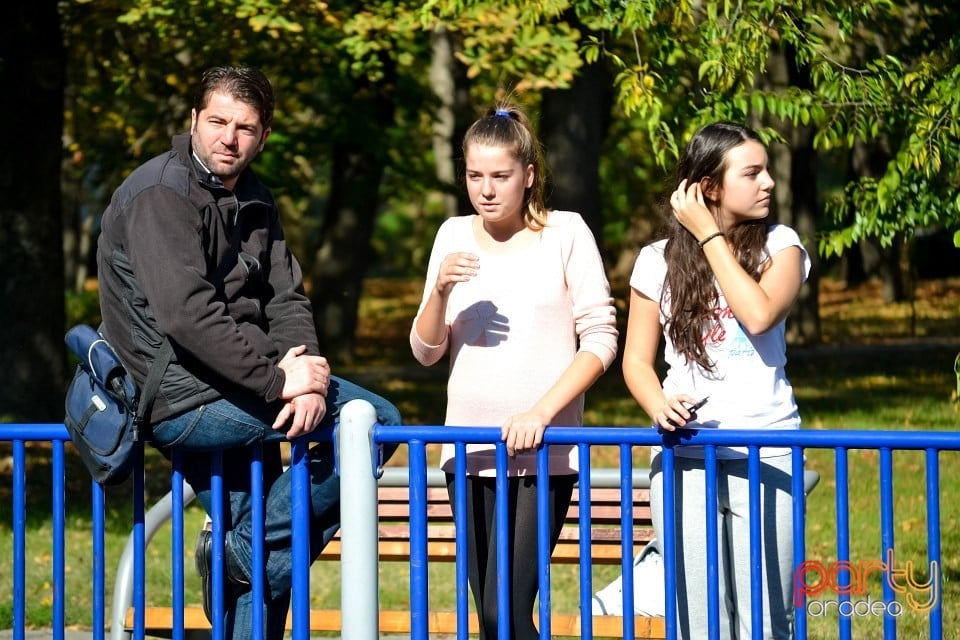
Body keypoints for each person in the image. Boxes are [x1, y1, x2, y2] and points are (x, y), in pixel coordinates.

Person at [96, 65, 401, 640]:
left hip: (240, 387)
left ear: (263, 135)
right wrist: (276, 383)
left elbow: (286, 295)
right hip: (184, 398)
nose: (228, 138)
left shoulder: (255, 195)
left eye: (245, 127)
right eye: (216, 121)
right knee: (376, 420)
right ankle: (239, 550)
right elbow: (188, 315)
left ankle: (237, 551)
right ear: (192, 121)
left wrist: (306, 375)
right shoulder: (162, 193)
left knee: (254, 561)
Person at [409, 102, 619, 640]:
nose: (486, 189)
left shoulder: (566, 232)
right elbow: (426, 352)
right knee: (491, 619)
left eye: (500, 176)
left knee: (506, 612)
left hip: (543, 452)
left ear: (529, 176)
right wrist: (439, 291)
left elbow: (600, 337)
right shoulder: (451, 235)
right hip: (468, 450)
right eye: (474, 175)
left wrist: (542, 412)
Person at [621, 121, 810, 639]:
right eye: (752, 173)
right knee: (697, 616)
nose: (768, 182)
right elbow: (636, 361)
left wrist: (708, 235)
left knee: (766, 616)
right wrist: (658, 403)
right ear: (709, 187)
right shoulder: (655, 261)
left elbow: (759, 314)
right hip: (685, 455)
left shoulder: (783, 245)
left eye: (766, 170)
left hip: (765, 447)